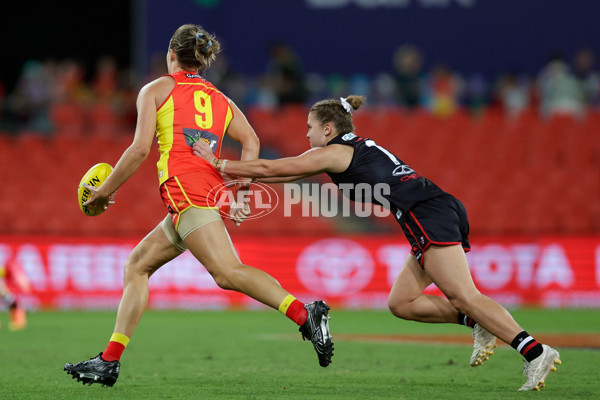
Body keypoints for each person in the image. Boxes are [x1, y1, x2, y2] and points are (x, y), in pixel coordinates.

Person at [193, 95, 562, 392]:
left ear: (327, 127)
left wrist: (218, 163)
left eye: (309, 128)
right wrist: (239, 185)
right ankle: (477, 322)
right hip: (429, 210)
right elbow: (285, 173)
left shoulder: (336, 152)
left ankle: (535, 351)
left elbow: (273, 169)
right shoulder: (346, 149)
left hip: (425, 213)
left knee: (466, 294)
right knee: (401, 303)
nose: (306, 135)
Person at [63, 24, 333, 387]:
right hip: (201, 194)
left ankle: (306, 314)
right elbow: (250, 140)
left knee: (227, 272)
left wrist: (105, 190)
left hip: (187, 192)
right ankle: (108, 361)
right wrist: (242, 193)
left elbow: (140, 149)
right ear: (201, 60)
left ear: (170, 55)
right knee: (137, 265)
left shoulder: (157, 89)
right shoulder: (219, 98)